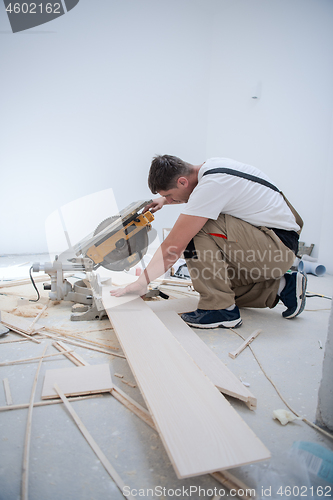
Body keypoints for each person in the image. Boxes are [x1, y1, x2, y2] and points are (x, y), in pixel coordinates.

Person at [111, 155, 307, 329]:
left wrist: (141, 282)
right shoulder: (211, 169)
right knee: (217, 284)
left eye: (168, 195)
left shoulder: (213, 184)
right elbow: (195, 193)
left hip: (275, 248)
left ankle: (220, 309)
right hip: (275, 243)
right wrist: (166, 200)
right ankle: (283, 287)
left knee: (195, 230)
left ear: (182, 181)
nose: (168, 199)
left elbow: (173, 246)